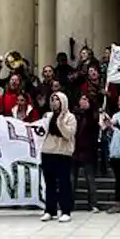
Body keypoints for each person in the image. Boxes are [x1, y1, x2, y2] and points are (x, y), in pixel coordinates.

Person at [40, 91, 77, 222]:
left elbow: (68, 134)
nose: (54, 102)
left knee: (63, 183)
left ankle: (66, 210)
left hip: (62, 153)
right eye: (52, 99)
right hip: (47, 152)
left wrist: (60, 121)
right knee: (49, 183)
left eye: (57, 100)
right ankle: (50, 210)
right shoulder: (48, 116)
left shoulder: (70, 117)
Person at [71, 93, 105, 212]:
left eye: (86, 99)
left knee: (90, 178)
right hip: (75, 150)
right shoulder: (74, 115)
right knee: (72, 178)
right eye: (82, 99)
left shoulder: (93, 114)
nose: (83, 101)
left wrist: (89, 111)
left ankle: (93, 204)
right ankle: (69, 203)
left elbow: (95, 126)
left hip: (88, 150)